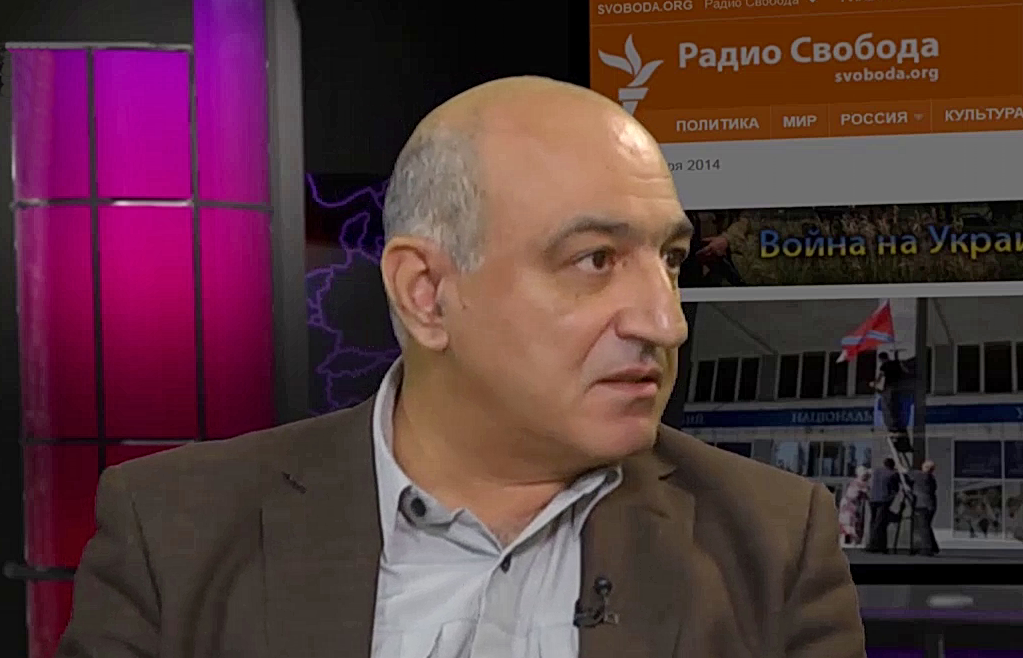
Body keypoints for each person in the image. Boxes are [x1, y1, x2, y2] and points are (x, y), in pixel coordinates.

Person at [57, 77, 865, 658]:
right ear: (427, 294)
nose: (666, 322)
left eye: (672, 260)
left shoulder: (771, 542)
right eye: (594, 260)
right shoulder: (177, 534)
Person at [867, 457, 902, 553]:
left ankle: (879, 545)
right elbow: (895, 488)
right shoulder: (893, 474)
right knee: (879, 523)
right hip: (883, 500)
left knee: (874, 522)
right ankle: (875, 546)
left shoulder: (877, 471)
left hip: (873, 499)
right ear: (892, 465)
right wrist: (890, 498)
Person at [907, 460, 939, 556]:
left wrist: (897, 460)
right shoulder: (932, 478)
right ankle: (934, 547)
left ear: (925, 467)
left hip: (922, 505)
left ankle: (927, 549)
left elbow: (904, 470)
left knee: (923, 527)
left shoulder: (920, 475)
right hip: (931, 505)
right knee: (927, 526)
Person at [874, 351, 908, 435]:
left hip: (889, 388)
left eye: (880, 360)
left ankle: (893, 427)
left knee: (889, 407)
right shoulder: (896, 363)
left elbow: (880, 377)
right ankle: (900, 425)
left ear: (882, 359)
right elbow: (905, 371)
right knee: (897, 406)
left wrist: (874, 384)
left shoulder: (884, 366)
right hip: (899, 387)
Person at [839, 466, 872, 546]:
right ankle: (848, 541)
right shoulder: (859, 483)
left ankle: (851, 541)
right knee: (848, 523)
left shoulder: (857, 482)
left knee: (852, 522)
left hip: (852, 504)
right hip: (849, 504)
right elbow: (867, 493)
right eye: (865, 476)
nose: (867, 478)